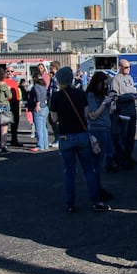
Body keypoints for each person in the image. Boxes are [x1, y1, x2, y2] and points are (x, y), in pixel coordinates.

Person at [50, 66, 110, 212]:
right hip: (82, 134)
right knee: (89, 169)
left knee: (69, 172)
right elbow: (86, 113)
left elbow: (54, 118)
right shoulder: (80, 94)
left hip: (65, 136)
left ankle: (70, 203)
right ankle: (96, 200)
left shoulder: (56, 96)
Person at [85, 71, 116, 199]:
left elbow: (107, 113)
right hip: (97, 129)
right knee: (96, 163)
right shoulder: (91, 95)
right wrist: (105, 103)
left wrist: (111, 103)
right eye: (104, 84)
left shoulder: (100, 95)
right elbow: (92, 115)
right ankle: (96, 190)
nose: (105, 87)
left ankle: (97, 188)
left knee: (99, 162)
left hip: (104, 128)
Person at [110, 58, 137, 169]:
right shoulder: (115, 80)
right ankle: (121, 158)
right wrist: (130, 97)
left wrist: (135, 95)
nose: (128, 69)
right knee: (122, 137)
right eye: (126, 67)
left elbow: (132, 90)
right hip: (123, 112)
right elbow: (115, 97)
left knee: (131, 136)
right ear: (120, 67)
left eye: (129, 67)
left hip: (132, 110)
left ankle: (129, 156)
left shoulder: (129, 78)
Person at [27, 72, 49, 152]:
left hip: (38, 108)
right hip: (45, 107)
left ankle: (40, 145)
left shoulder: (36, 86)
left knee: (39, 128)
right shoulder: (43, 86)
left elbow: (38, 95)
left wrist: (37, 104)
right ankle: (45, 144)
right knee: (44, 128)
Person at [4, 66, 23, 147]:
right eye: (8, 71)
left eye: (12, 71)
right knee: (5, 123)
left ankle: (14, 140)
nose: (10, 73)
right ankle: (2, 141)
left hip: (16, 103)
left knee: (15, 122)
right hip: (7, 103)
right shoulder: (3, 81)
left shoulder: (15, 81)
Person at [47, 61, 61, 148]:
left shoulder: (57, 78)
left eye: (51, 67)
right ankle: (57, 138)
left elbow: (56, 91)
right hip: (51, 101)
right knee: (51, 120)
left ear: (54, 67)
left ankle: (58, 139)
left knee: (55, 121)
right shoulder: (53, 78)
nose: (49, 68)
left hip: (56, 102)